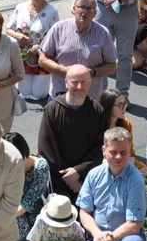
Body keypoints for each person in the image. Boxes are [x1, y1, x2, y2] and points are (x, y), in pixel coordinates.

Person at [77, 127, 147, 241]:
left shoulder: (136, 180)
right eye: (113, 152)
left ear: (130, 149)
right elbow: (84, 212)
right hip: (98, 234)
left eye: (123, 152)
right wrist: (96, 234)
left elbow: (134, 224)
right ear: (104, 151)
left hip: (124, 235)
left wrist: (109, 238)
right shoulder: (94, 175)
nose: (118, 157)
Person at [38, 64, 109, 203]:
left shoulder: (97, 111)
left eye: (83, 82)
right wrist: (68, 177)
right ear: (66, 83)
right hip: (58, 180)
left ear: (90, 83)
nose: (79, 86)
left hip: (86, 179)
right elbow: (46, 147)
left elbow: (101, 147)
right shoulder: (52, 109)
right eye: (74, 82)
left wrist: (79, 172)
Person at [38, 0, 117, 101]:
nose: (85, 12)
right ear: (74, 9)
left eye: (90, 9)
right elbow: (43, 59)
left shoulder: (103, 33)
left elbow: (112, 66)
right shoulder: (58, 28)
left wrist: (92, 72)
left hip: (90, 97)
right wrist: (64, 70)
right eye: (82, 7)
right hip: (59, 95)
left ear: (95, 13)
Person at [6, 0, 60, 100]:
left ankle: (51, 80)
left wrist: (40, 46)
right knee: (25, 93)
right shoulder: (20, 8)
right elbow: (8, 29)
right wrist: (18, 35)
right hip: (22, 57)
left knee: (38, 94)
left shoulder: (52, 11)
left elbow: (57, 36)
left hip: (42, 57)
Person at [3, 132, 51, 241]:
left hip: (34, 208)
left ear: (24, 152)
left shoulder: (40, 167)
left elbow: (29, 200)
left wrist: (5, 216)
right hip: (13, 206)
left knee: (19, 225)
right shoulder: (6, 167)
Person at [100, 89, 147, 173]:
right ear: (109, 106)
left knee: (144, 170)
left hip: (124, 158)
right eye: (120, 105)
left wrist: (128, 169)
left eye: (124, 104)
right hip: (105, 160)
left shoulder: (126, 123)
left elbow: (130, 150)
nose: (124, 108)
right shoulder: (98, 125)